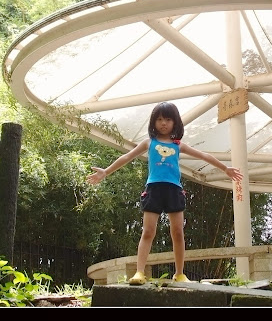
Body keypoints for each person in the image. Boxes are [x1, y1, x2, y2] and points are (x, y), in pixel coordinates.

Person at [86, 101, 244, 285]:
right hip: (153, 189)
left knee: (177, 232)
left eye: (168, 119)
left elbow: (204, 156)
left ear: (175, 122)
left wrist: (225, 168)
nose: (163, 123)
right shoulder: (149, 143)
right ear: (153, 122)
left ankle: (179, 273)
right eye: (159, 119)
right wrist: (106, 171)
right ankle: (139, 272)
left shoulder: (178, 145)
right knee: (148, 232)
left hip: (174, 190)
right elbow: (127, 156)